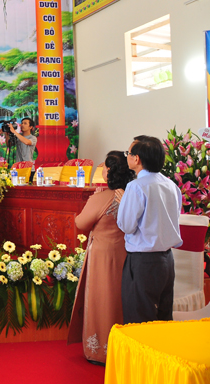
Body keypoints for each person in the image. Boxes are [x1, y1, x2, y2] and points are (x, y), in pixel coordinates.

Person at [68, 151, 134, 364]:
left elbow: (80, 223)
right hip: (125, 253)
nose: (102, 169)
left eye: (105, 166)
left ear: (110, 171)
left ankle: (100, 350)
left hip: (102, 256)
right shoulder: (131, 195)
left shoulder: (101, 198)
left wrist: (93, 200)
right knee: (119, 298)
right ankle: (121, 347)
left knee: (101, 299)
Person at [116, 135, 182, 324]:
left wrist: (123, 204)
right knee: (163, 318)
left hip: (143, 262)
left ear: (136, 159)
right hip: (167, 260)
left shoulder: (136, 187)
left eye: (128, 153)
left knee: (139, 321)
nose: (127, 156)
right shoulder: (171, 185)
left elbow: (127, 226)